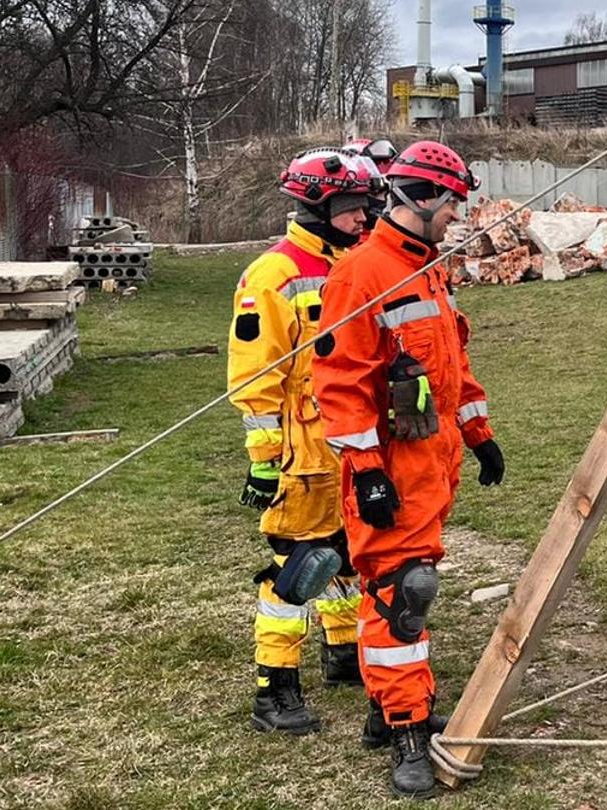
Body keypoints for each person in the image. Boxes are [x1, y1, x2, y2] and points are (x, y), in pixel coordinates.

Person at [313, 140, 505, 798]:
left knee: (402, 590)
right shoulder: (362, 275)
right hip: (392, 469)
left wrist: (479, 434)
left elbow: (450, 366)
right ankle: (405, 730)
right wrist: (366, 472)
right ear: (422, 200)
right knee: (403, 594)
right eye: (452, 204)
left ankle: (389, 706)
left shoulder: (427, 269)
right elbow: (339, 383)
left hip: (433, 460)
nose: (457, 216)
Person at [232, 149, 381, 735]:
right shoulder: (273, 276)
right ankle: (276, 688)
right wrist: (266, 462)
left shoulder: (357, 263)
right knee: (296, 567)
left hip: (352, 442)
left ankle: (343, 651)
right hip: (301, 450)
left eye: (366, 206)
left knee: (345, 555)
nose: (363, 218)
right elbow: (254, 377)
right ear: (316, 206)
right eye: (351, 208)